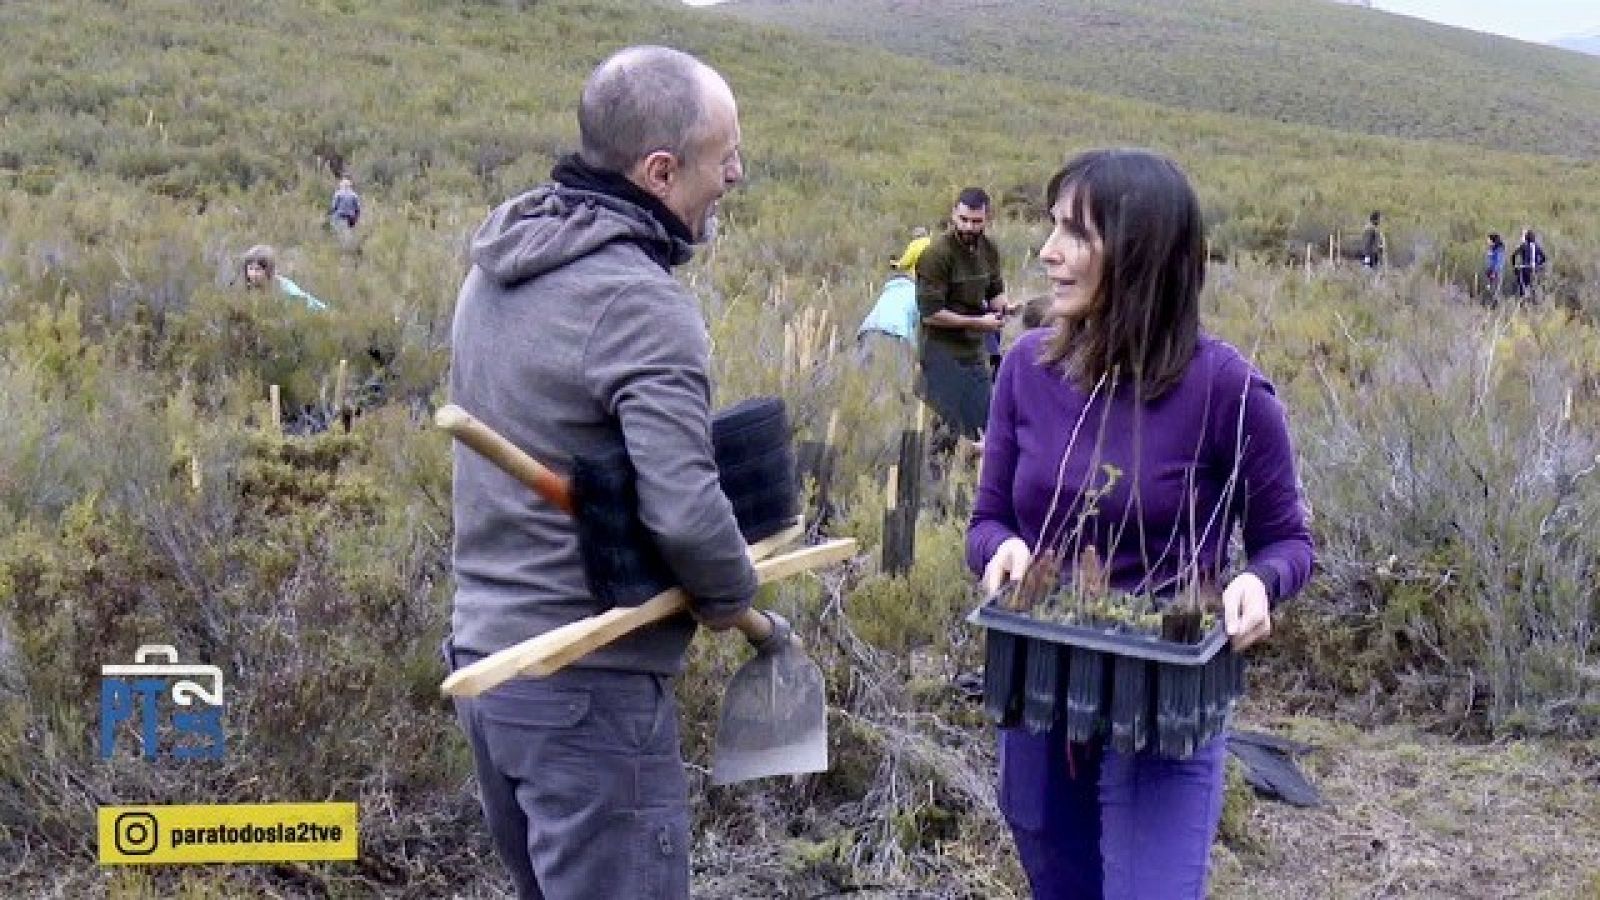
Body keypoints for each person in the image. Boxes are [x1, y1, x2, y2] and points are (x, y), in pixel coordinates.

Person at [444, 46, 761, 900]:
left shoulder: (503, 257)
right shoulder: (639, 302)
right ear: (660, 171)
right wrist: (733, 593)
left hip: (490, 663)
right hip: (585, 684)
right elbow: (687, 511)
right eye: (724, 155)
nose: (735, 174)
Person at [968, 149, 1315, 899]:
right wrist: (1005, 551)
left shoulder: (1228, 388)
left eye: (1075, 234)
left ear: (1139, 255)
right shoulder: (1025, 369)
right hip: (1041, 684)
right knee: (1058, 879)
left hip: (1166, 701)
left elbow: (1287, 542)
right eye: (1051, 227)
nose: (1048, 252)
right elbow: (987, 521)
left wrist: (1259, 581)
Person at [916, 187, 1013, 443]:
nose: (969, 227)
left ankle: (970, 479)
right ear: (953, 215)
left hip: (973, 353)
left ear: (986, 219)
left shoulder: (989, 250)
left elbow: (995, 291)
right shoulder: (936, 255)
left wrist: (1003, 307)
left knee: (984, 427)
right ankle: (935, 480)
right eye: (964, 220)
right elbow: (930, 314)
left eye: (976, 221)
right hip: (940, 353)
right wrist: (979, 323)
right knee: (947, 431)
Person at [240, 244, 328, 311]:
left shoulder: (285, 288)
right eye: (251, 269)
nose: (253, 274)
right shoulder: (250, 287)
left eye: (258, 270)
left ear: (268, 270)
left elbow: (304, 301)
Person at [1512, 228, 1547, 299]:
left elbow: (1514, 255)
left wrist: (1515, 266)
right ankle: (1533, 301)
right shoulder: (1536, 246)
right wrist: (1538, 264)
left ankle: (1523, 301)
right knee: (1533, 287)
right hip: (1534, 269)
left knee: (1522, 287)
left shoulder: (1524, 246)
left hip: (1524, 269)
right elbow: (1543, 258)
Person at [1483, 232, 1506, 305]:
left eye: (1488, 239)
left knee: (1495, 290)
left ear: (1493, 240)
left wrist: (1493, 272)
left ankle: (1496, 306)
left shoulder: (1499, 250)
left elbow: (1498, 263)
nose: (1487, 241)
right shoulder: (1492, 249)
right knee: (1490, 289)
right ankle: (1491, 305)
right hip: (1490, 272)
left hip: (1496, 273)